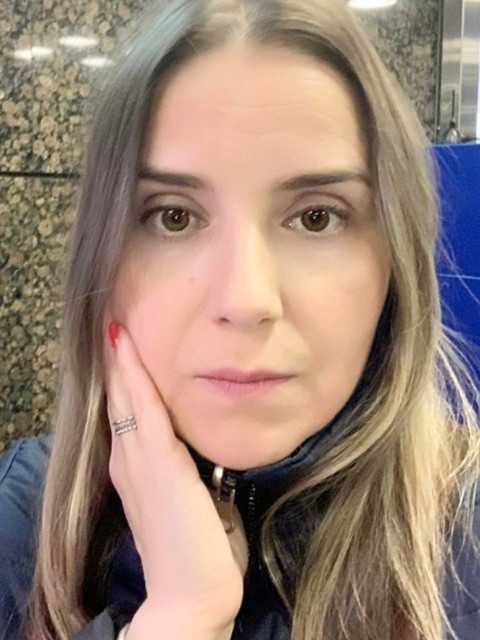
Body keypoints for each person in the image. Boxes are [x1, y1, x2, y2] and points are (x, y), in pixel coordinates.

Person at [1, 0, 479, 638]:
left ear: (396, 263)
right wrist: (181, 617)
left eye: (316, 217)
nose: (246, 299)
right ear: (103, 263)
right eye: (173, 216)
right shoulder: (25, 519)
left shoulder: (468, 535)